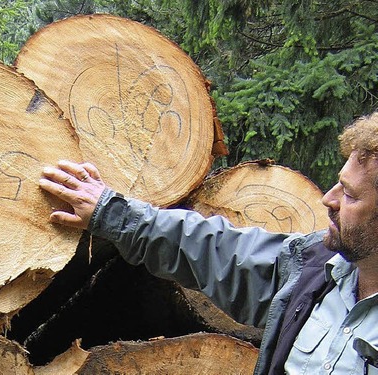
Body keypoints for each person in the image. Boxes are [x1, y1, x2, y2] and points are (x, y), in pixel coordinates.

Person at [38, 111, 378, 375]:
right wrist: (109, 213)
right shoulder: (313, 272)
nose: (329, 199)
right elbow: (214, 251)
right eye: (339, 184)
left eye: (349, 195)